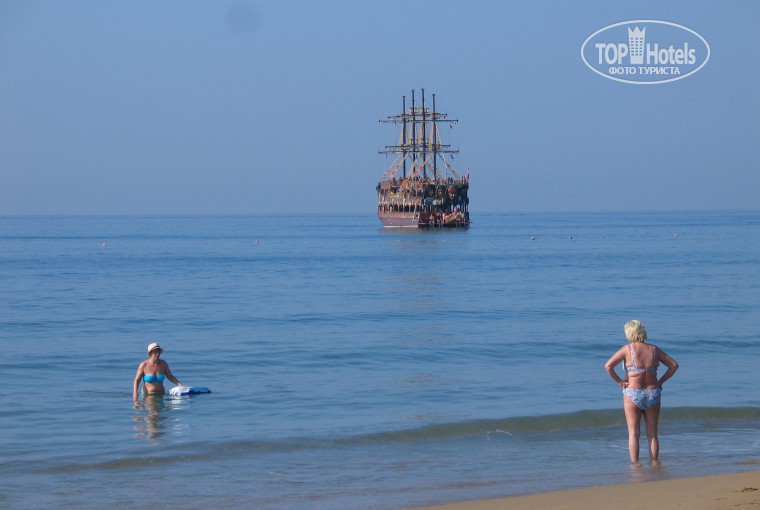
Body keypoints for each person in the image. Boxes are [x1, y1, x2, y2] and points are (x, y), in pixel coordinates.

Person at [605, 320, 679, 464]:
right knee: (652, 434)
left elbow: (608, 366)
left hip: (633, 393)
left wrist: (620, 381)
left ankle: (635, 466)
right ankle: (654, 463)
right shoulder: (654, 349)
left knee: (633, 434)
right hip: (653, 393)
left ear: (629, 333)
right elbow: (674, 365)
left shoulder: (627, 349)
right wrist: (661, 381)